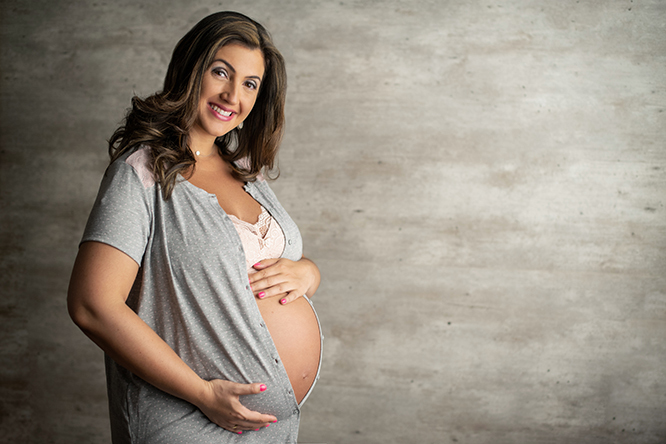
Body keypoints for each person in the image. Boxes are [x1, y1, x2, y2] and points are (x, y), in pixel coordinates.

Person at [67, 11, 322, 443]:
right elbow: (92, 305)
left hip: (270, 430)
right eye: (220, 72)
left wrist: (308, 272)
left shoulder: (246, 171)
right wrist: (202, 394)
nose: (232, 95)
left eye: (250, 84)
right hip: (189, 420)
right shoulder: (141, 173)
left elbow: (269, 268)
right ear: (190, 71)